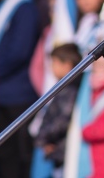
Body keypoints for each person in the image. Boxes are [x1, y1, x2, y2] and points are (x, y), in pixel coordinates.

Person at [0, 0, 41, 178]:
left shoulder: (23, 7)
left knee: (18, 157)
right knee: (1, 154)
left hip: (18, 94)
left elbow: (19, 51)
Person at [35, 43, 83, 177]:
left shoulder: (70, 89)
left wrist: (44, 138)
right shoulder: (65, 86)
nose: (51, 67)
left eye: (54, 62)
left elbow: (63, 118)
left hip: (62, 149)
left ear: (67, 65)